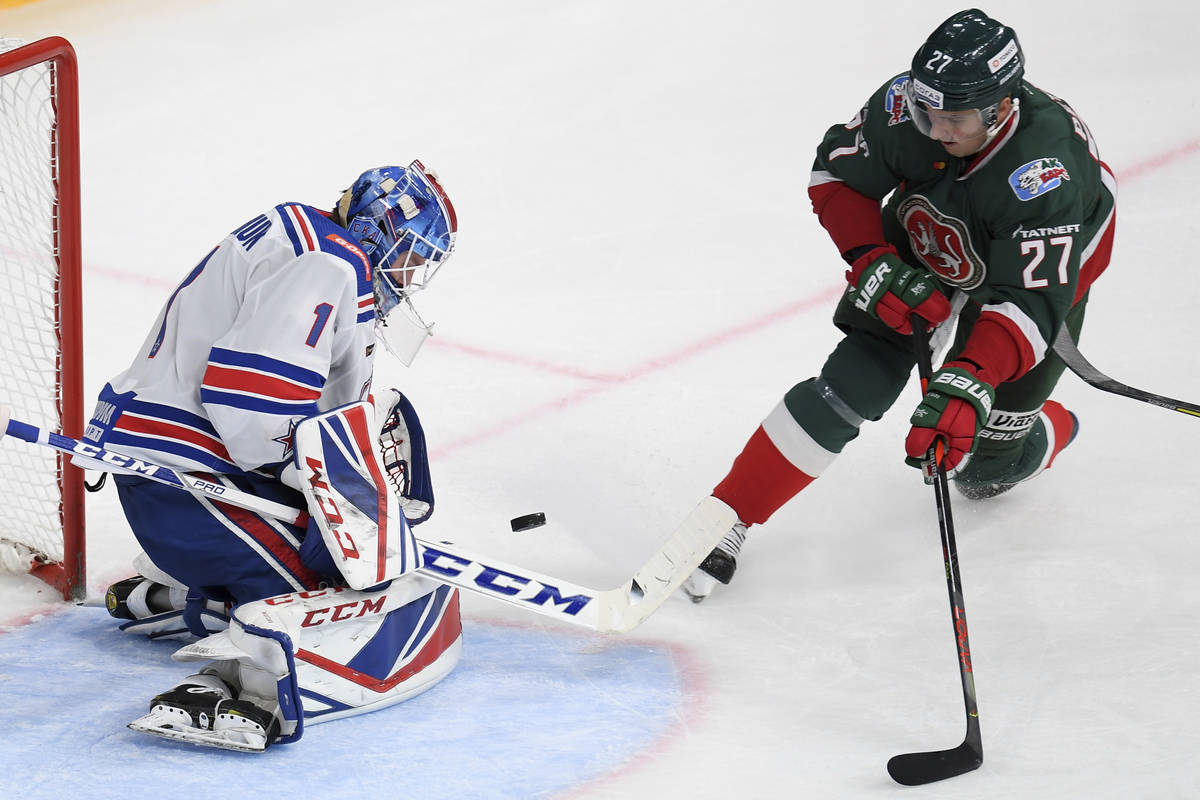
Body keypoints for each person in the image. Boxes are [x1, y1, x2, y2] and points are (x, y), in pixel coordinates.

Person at [682, 8, 1116, 602]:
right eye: (924, 112)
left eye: (953, 120)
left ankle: (1044, 431)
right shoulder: (907, 107)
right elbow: (835, 176)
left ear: (1002, 108)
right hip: (935, 236)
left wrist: (971, 379)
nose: (933, 130)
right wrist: (871, 261)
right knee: (853, 379)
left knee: (982, 471)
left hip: (1035, 286)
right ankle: (726, 516)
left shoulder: (1045, 174)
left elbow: (1031, 302)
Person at [87, 161, 464, 750]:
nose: (410, 275)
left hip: (173, 483)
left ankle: (176, 595)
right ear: (378, 229)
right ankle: (237, 682)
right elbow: (250, 407)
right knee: (344, 576)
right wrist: (334, 493)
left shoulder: (310, 242)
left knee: (342, 547)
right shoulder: (328, 261)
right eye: (410, 255)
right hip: (193, 484)